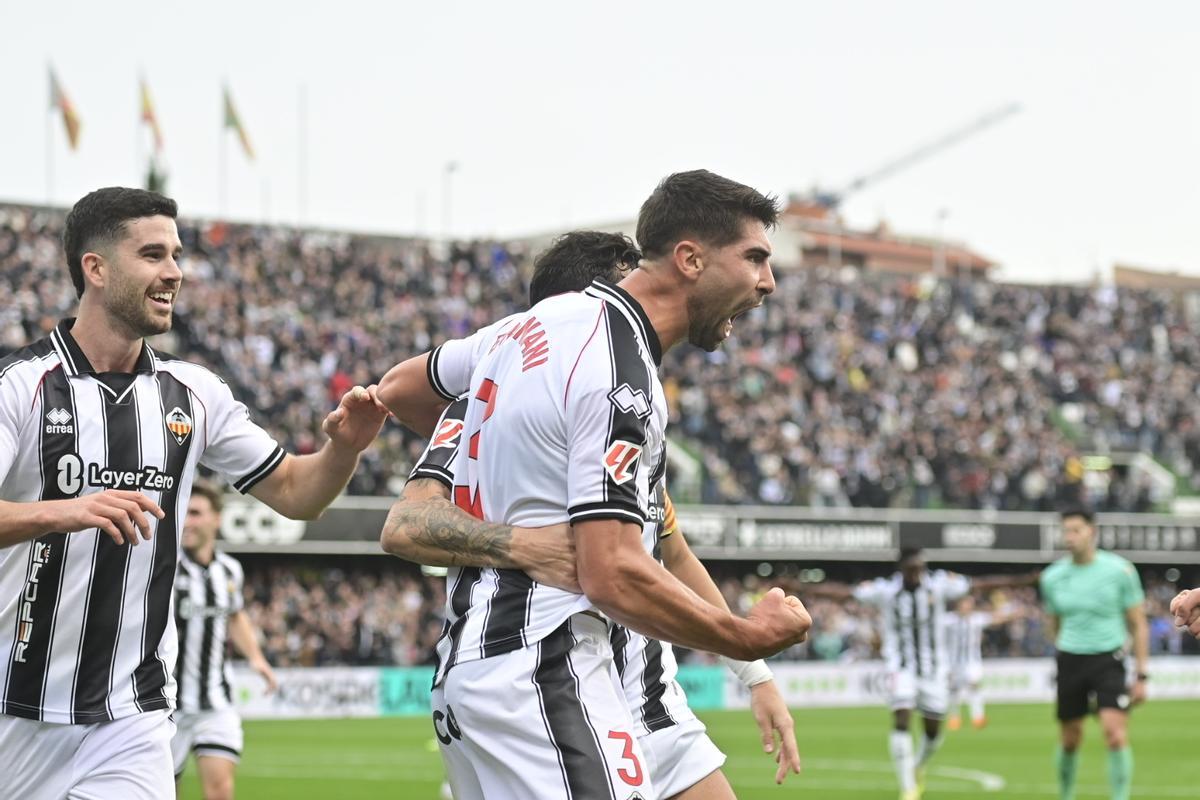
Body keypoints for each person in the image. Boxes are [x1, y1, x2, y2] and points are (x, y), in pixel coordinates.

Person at [381, 170, 811, 800]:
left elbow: (399, 388)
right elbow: (610, 573)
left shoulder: (526, 330)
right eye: (755, 259)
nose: (767, 282)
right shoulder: (619, 368)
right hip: (542, 665)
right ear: (690, 259)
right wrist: (746, 637)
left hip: (513, 668)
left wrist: (504, 438)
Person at [0, 187, 387, 799]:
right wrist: (63, 511)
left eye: (176, 255)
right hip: (17, 707)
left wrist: (344, 449)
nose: (174, 272)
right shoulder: (22, 386)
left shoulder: (194, 393)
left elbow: (296, 494)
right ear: (94, 269)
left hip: (135, 715)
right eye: (152, 255)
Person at [806, 549, 1036, 800]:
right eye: (912, 569)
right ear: (902, 569)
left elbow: (981, 584)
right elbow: (844, 592)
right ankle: (908, 788)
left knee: (933, 731)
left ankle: (918, 765)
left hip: (934, 669)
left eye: (920, 568)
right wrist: (799, 586)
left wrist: (1024, 579)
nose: (917, 573)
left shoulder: (938, 585)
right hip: (899, 666)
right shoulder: (885, 590)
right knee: (902, 718)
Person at [172, 480, 278, 799]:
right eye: (184, 513)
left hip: (215, 701)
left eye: (196, 513)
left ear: (216, 519)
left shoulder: (229, 571)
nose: (187, 522)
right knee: (162, 792)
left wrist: (257, 658)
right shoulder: (166, 568)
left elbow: (236, 615)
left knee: (220, 791)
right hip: (165, 705)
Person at [1040, 508, 1148, 800]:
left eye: (1076, 530)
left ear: (1092, 532)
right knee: (1070, 738)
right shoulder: (1052, 577)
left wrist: (1141, 675)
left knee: (1114, 733)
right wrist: (1062, 645)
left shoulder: (1120, 571)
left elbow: (1138, 624)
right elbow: (1053, 624)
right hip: (1071, 658)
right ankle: (1066, 795)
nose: (1069, 537)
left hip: (1108, 659)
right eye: (1066, 531)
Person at [944, 594, 1015, 731]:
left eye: (969, 604)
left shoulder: (977, 619)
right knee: (953, 689)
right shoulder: (949, 620)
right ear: (959, 605)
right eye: (965, 604)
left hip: (972, 661)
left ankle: (978, 717)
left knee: (974, 685)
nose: (967, 607)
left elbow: (996, 619)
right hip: (952, 662)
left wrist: (1012, 613)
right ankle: (954, 717)